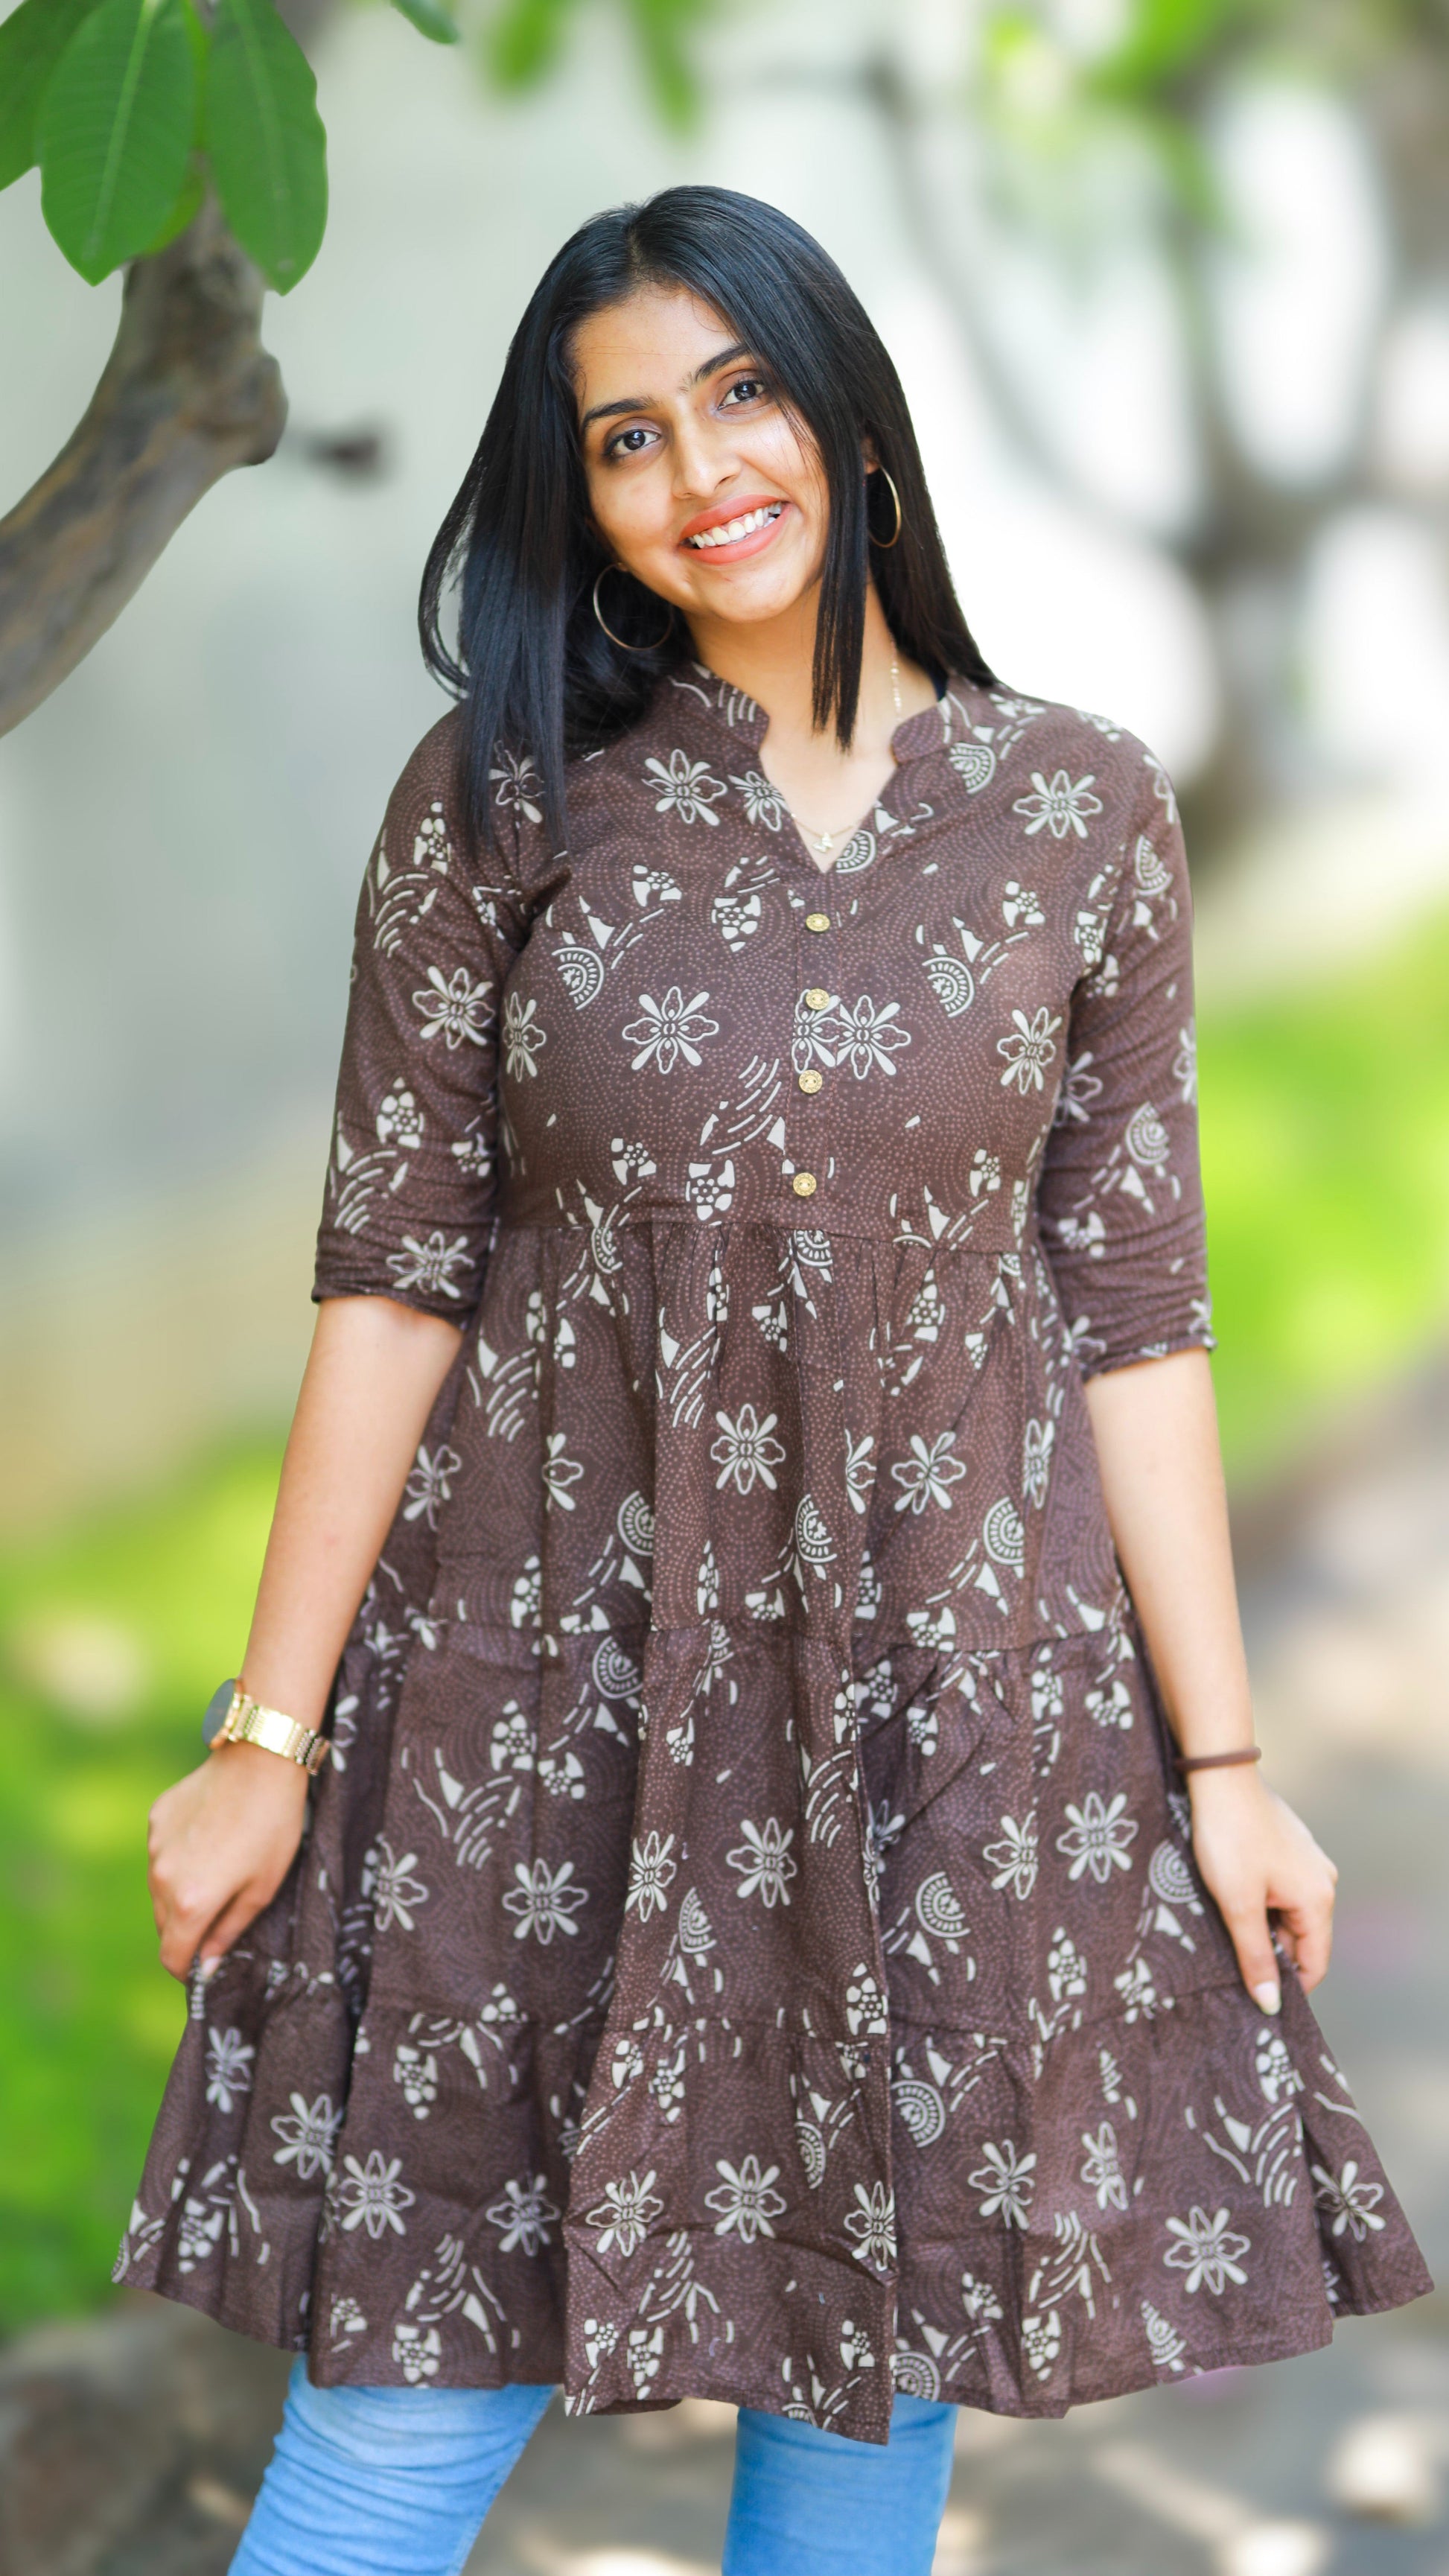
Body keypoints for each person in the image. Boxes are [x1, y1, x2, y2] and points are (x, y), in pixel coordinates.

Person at [120, 187, 1431, 2576]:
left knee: (863, 2383)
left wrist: (1224, 1769)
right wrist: (264, 1738)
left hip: (943, 1705)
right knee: (400, 2413)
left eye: (738, 393)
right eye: (624, 436)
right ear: (581, 497)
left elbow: (1132, 1309)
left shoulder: (1077, 811)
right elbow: (392, 1275)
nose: (697, 469)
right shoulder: (501, 796)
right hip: (538, 1696)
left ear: (846, 409)